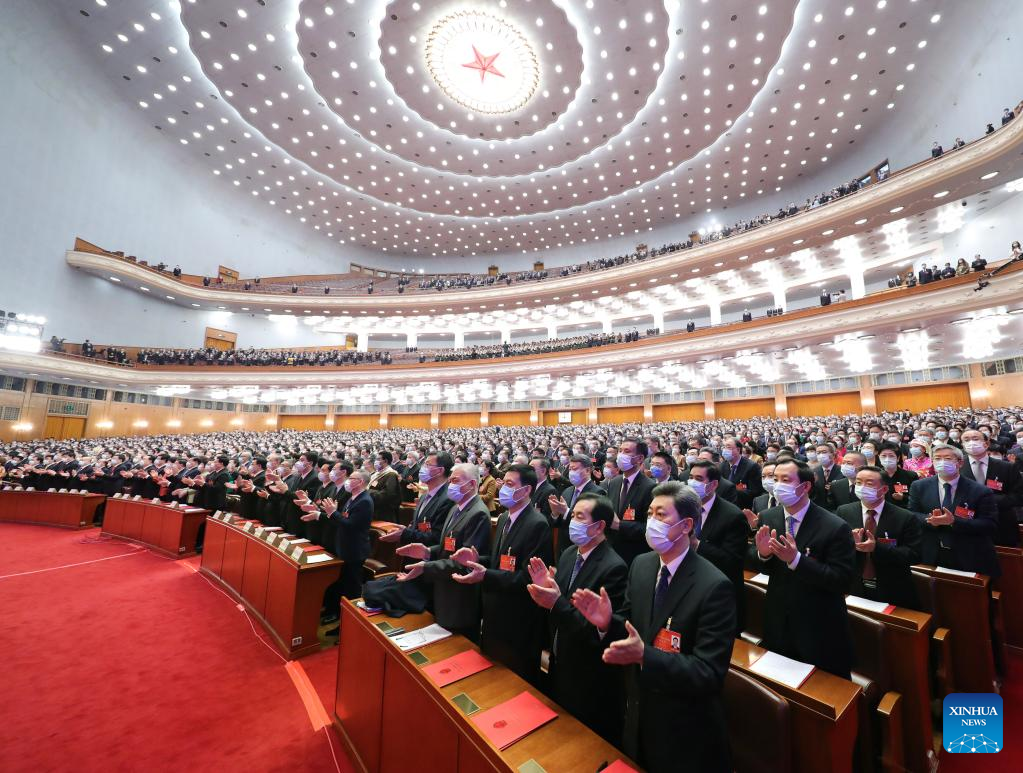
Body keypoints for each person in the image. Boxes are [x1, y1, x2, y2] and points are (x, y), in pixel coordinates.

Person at [572, 482, 735, 773]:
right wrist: (608, 622)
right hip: (638, 713)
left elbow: (708, 673)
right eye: (649, 513)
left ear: (686, 525)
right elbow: (633, 627)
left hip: (684, 731)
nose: (651, 522)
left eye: (661, 515)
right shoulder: (643, 565)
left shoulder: (715, 586)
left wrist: (645, 656)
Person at [525, 493, 628, 747]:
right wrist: (548, 589)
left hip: (588, 674)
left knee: (581, 744)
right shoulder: (571, 553)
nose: (573, 521)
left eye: (580, 517)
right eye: (574, 515)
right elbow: (562, 601)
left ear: (600, 526)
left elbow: (595, 630)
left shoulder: (614, 567)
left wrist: (555, 602)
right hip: (561, 659)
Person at [751, 460, 856, 678]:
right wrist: (763, 555)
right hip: (778, 617)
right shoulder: (769, 517)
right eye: (775, 479)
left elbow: (842, 580)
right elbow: (766, 567)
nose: (778, 485)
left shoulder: (834, 526)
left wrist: (797, 560)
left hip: (818, 623)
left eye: (786, 480)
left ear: (805, 486)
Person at [450, 464, 553, 685]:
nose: (502, 488)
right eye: (502, 482)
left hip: (518, 618)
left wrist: (486, 575)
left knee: (515, 681)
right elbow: (499, 563)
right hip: (495, 611)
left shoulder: (537, 524)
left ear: (525, 490)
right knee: (491, 675)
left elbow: (528, 579)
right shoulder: (506, 517)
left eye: (509, 484)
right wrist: (477, 561)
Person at [395, 463, 492, 642]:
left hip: (459, 598)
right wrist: (427, 552)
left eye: (455, 480)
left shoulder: (478, 513)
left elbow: (465, 563)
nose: (450, 485)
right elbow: (447, 547)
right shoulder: (456, 508)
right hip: (444, 590)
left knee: (458, 648)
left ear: (471, 484)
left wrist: (426, 566)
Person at [836, 466, 922, 610]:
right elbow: (836, 549)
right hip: (854, 586)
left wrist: (877, 548)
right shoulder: (844, 511)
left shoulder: (905, 517)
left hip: (892, 587)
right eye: (858, 483)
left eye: (869, 484)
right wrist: (850, 544)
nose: (862, 487)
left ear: (884, 490)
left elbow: (914, 555)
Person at [907, 443, 1000, 577]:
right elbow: (912, 514)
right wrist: (930, 520)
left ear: (960, 463)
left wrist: (953, 522)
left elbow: (990, 524)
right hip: (931, 552)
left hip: (969, 554)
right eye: (937, 458)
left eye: (948, 458)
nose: (942, 462)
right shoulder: (919, 486)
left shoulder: (980, 491)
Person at [687, 461, 748, 633]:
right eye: (690, 477)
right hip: (689, 587)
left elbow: (732, 560)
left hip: (719, 595)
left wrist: (696, 544)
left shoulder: (732, 516)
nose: (692, 482)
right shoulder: (683, 507)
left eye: (698, 479)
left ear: (713, 485)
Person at [318, 470, 374, 638]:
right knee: (343, 586)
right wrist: (333, 513)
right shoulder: (353, 498)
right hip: (346, 548)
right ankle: (339, 617)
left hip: (355, 551)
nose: (349, 481)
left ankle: (350, 626)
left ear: (361, 482)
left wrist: (332, 513)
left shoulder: (365, 501)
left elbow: (350, 525)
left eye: (352, 478)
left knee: (352, 590)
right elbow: (344, 519)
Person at [960, 428, 1021, 546]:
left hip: (1002, 523)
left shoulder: (1007, 467)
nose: (971, 443)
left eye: (975, 439)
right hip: (969, 525)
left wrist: (988, 500)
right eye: (966, 440)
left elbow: (1019, 496)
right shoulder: (957, 468)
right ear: (962, 445)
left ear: (986, 443)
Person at [382, 451, 453, 548]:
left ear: (440, 471)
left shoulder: (448, 499)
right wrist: (407, 529)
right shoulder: (425, 495)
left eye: (427, 465)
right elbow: (419, 523)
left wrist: (406, 534)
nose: (422, 468)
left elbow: (436, 537)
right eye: (424, 464)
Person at [605, 437, 656, 565]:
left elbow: (649, 528)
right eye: (620, 451)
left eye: (626, 451)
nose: (621, 455)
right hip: (611, 553)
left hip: (634, 555)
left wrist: (620, 525)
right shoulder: (614, 482)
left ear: (639, 459)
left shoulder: (650, 487)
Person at [547, 454, 601, 557]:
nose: (571, 472)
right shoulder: (567, 491)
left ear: (587, 470)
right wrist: (555, 514)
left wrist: (566, 512)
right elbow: (557, 523)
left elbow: (591, 522)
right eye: (570, 469)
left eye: (574, 469)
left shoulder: (597, 493)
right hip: (563, 547)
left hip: (583, 548)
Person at [719, 436, 762, 509]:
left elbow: (755, 491)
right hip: (725, 506)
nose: (725, 450)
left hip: (743, 507)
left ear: (738, 450)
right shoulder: (722, 465)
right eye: (724, 447)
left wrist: (733, 491)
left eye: (728, 447)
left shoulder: (752, 466)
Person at [877, 441, 919, 507]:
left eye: (891, 456)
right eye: (884, 456)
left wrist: (903, 497)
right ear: (879, 457)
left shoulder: (910, 476)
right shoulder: (875, 475)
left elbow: (917, 498)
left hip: (903, 511)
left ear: (898, 458)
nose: (887, 459)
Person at [367, 450, 401, 523]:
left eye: (378, 459)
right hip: (374, 509)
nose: (375, 462)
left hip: (384, 513)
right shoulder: (376, 474)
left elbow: (387, 494)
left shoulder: (391, 474)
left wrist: (368, 492)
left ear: (385, 461)